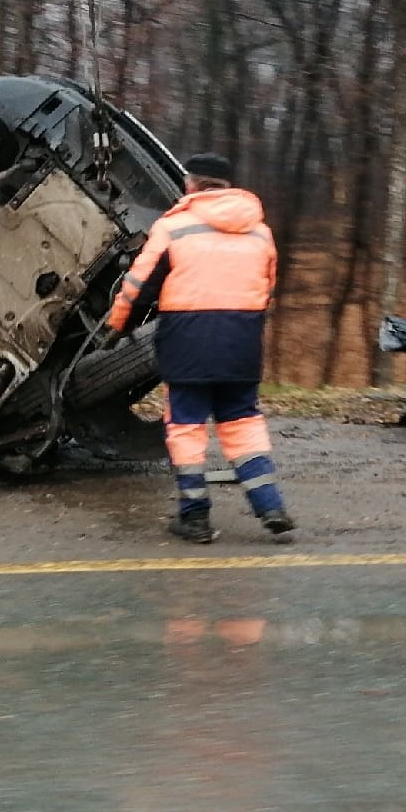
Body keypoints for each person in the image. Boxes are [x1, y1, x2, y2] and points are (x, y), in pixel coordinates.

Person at [103, 153, 294, 544]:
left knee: (186, 427)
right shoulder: (260, 231)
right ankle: (270, 507)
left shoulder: (174, 226)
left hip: (188, 341)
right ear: (227, 187)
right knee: (242, 423)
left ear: (191, 184)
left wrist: (117, 323)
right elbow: (268, 287)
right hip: (241, 341)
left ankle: (195, 518)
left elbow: (139, 287)